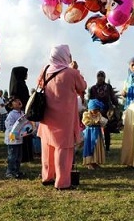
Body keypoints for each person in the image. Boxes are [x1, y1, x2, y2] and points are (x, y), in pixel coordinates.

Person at [37, 44, 87, 189]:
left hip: (46, 116)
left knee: (47, 147)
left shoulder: (45, 70)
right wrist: (76, 70)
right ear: (66, 56)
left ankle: (47, 177)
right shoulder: (72, 73)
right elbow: (82, 87)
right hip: (64, 119)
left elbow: (39, 84)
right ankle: (62, 182)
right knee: (63, 150)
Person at [88, 70, 119, 152]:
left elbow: (112, 97)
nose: (100, 77)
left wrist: (115, 104)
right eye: (99, 76)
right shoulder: (93, 88)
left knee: (106, 129)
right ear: (97, 77)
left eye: (102, 76)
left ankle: (107, 148)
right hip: (96, 111)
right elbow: (90, 100)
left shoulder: (108, 87)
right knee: (95, 129)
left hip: (106, 111)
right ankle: (96, 147)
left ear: (104, 77)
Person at [9, 66, 33, 162]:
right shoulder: (19, 85)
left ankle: (26, 155)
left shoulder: (19, 84)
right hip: (21, 112)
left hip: (23, 111)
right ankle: (24, 156)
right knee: (22, 133)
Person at [81, 99, 108, 170]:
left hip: (97, 133)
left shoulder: (98, 114)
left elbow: (103, 121)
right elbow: (86, 122)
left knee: (97, 147)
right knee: (90, 147)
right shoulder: (86, 114)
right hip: (90, 134)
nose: (96, 112)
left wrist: (102, 123)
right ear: (90, 109)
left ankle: (95, 162)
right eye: (94, 110)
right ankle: (90, 163)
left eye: (97, 110)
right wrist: (95, 122)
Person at [4, 96, 26, 179]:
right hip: (12, 139)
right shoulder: (11, 114)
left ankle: (16, 171)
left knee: (18, 156)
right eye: (15, 101)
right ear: (11, 105)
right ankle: (10, 172)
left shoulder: (22, 113)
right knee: (12, 156)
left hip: (19, 139)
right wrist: (15, 132)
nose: (18, 101)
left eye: (19, 100)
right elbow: (9, 126)